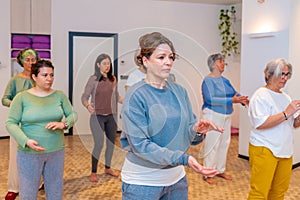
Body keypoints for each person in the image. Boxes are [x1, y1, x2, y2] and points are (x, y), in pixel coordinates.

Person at [120, 32, 224, 200]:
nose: (168, 62)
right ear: (145, 61)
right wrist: (184, 159)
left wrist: (196, 130)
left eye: (171, 57)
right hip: (143, 182)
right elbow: (140, 145)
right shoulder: (135, 95)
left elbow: (189, 136)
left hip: (176, 180)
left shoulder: (179, 91)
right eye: (161, 57)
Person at [5, 59, 77, 200]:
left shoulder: (59, 96)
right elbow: (11, 123)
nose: (49, 79)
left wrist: (64, 124)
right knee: (28, 194)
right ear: (34, 77)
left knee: (55, 193)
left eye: (51, 75)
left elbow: (73, 114)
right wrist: (25, 141)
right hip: (29, 153)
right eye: (45, 75)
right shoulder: (22, 98)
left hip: (56, 152)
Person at [247, 58, 300, 200]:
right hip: (265, 148)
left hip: (285, 150)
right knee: (259, 192)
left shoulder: (286, 97)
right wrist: (287, 112)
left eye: (287, 75)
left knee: (279, 192)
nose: (284, 78)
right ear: (268, 74)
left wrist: (298, 117)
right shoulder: (260, 96)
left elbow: (294, 123)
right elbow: (260, 123)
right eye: (281, 74)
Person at [201, 53, 249, 185]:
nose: (223, 63)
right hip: (213, 114)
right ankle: (207, 173)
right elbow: (210, 99)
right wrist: (232, 100)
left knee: (224, 143)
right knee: (213, 144)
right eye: (221, 61)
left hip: (226, 115)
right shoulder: (208, 81)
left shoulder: (225, 80)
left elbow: (234, 93)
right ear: (214, 64)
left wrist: (242, 99)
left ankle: (219, 170)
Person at [2, 48, 40, 200]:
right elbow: (4, 99)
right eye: (27, 60)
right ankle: (14, 187)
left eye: (33, 59)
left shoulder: (40, 78)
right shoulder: (15, 80)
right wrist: (17, 105)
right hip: (18, 124)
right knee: (17, 155)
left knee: (38, 154)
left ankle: (38, 182)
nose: (30, 63)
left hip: (37, 123)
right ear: (21, 62)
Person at [81, 53, 123, 182]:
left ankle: (108, 168)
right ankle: (93, 172)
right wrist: (88, 105)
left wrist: (128, 100)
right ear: (98, 65)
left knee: (111, 144)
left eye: (109, 63)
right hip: (97, 117)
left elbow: (116, 96)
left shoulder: (113, 79)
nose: (107, 66)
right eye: (104, 63)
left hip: (111, 117)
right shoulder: (93, 79)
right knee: (99, 144)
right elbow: (84, 97)